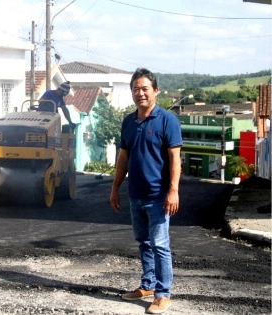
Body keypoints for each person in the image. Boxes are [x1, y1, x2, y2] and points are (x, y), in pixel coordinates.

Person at [110, 68, 182, 314]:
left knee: (160, 244)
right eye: (135, 89)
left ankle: (163, 294)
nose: (140, 93)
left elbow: (175, 158)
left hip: (159, 196)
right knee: (143, 242)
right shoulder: (128, 122)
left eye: (144, 89)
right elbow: (123, 157)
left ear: (156, 91)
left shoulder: (167, 120)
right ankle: (148, 285)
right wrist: (115, 187)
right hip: (136, 194)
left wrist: (173, 191)